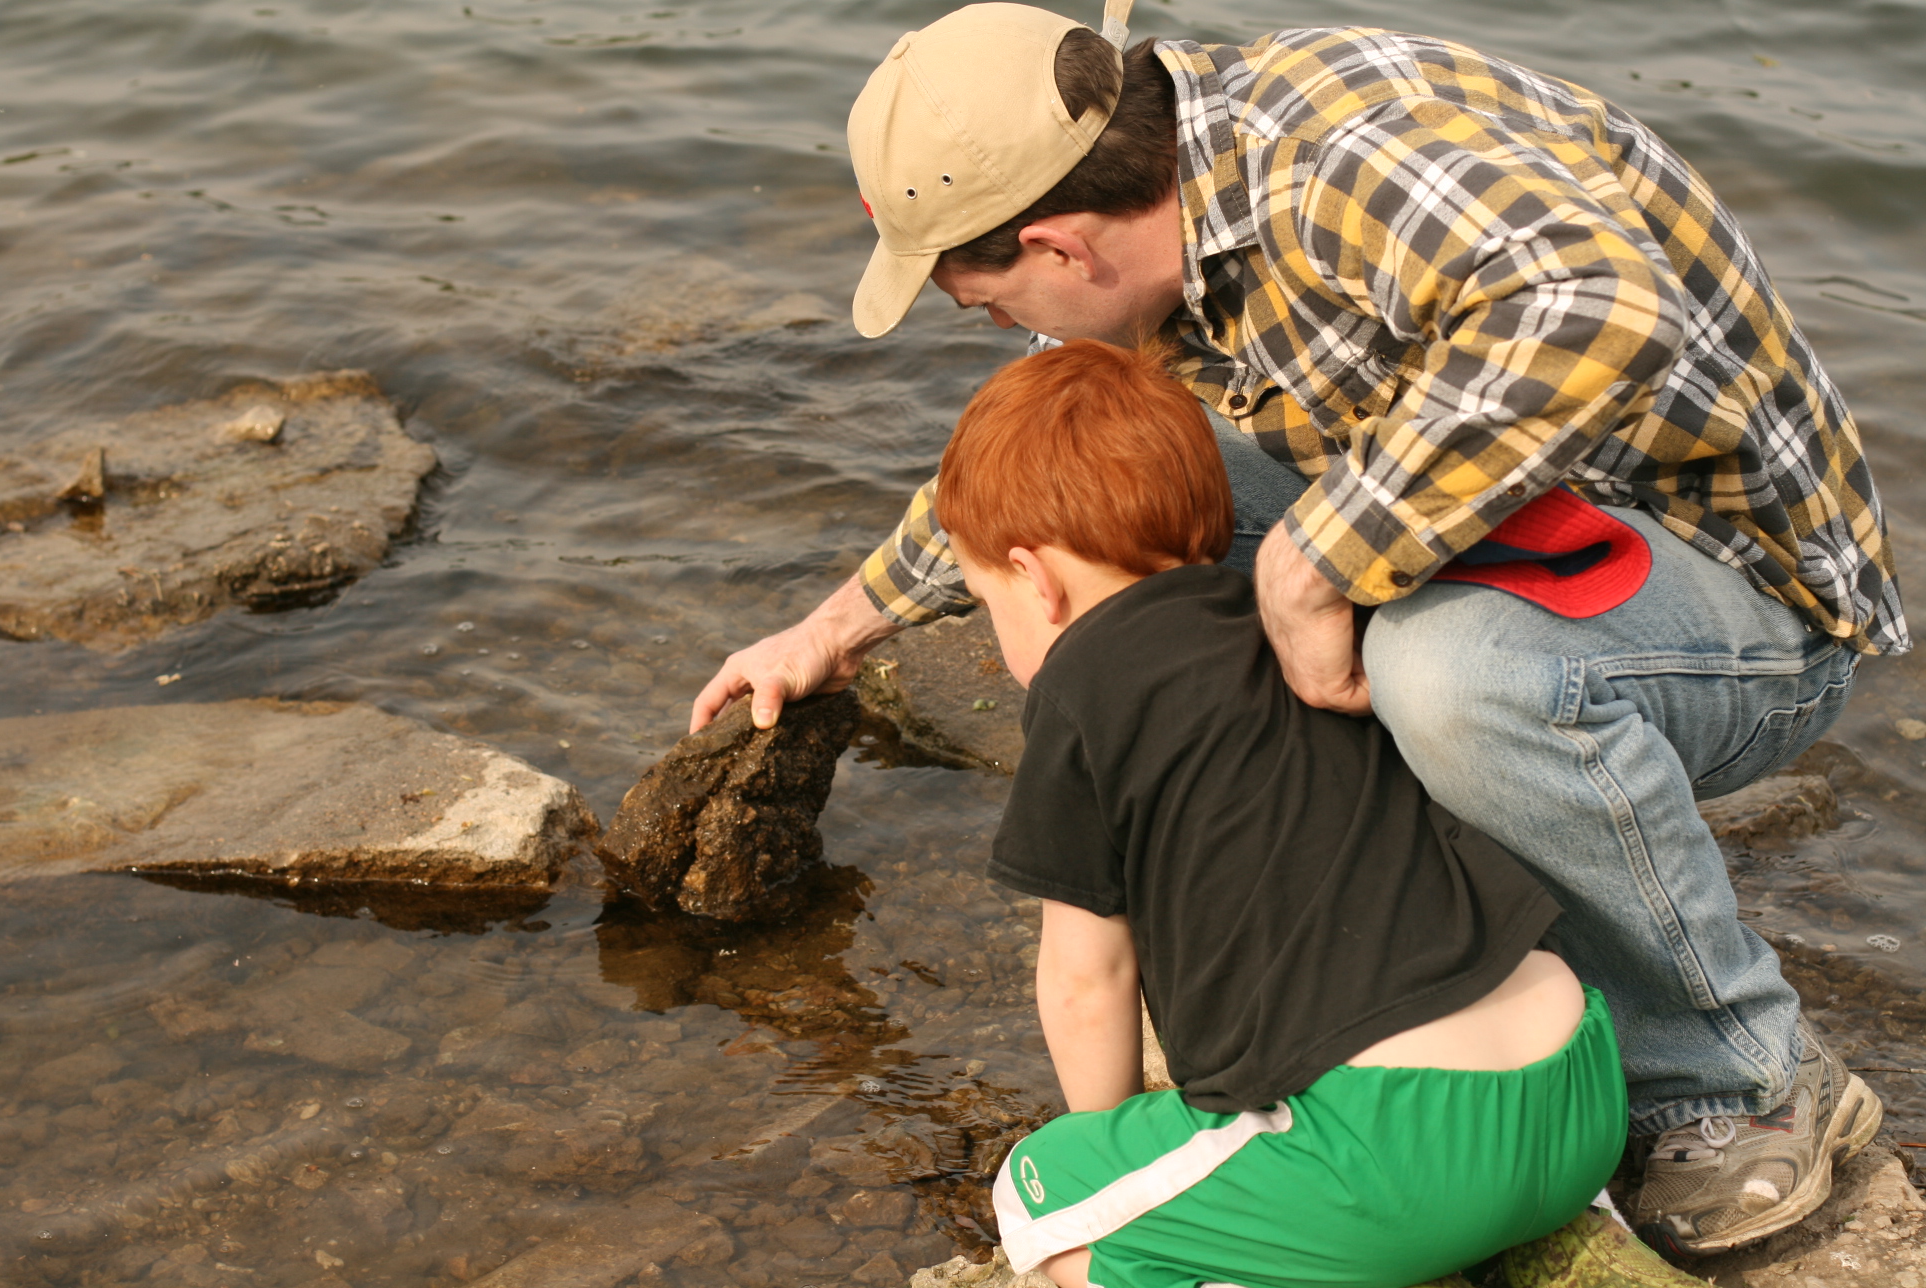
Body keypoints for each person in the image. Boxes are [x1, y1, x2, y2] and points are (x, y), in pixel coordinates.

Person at [690, 1, 1901, 1254]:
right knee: (1140, 483)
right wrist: (837, 626)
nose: (990, 324)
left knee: (1443, 673)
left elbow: (1600, 301)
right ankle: (1390, 963)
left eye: (973, 294)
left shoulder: (1333, 167)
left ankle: (1740, 1079)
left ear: (1058, 242)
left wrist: (1318, 568)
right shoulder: (1168, 222)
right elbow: (1051, 489)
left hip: (1737, 592)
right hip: (1527, 517)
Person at [942, 337, 1699, 1288]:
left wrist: (1114, 1148)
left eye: (985, 600)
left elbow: (1087, 981)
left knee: (1038, 1198)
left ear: (1036, 578)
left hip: (1391, 1153)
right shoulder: (1301, 629)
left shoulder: (1081, 687)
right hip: (1577, 1087)